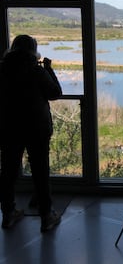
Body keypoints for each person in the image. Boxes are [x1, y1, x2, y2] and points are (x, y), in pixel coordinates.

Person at [0, 34, 63, 232]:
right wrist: (49, 69)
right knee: (41, 171)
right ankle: (46, 216)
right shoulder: (36, 71)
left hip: (8, 127)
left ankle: (8, 213)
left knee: (8, 172)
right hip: (37, 128)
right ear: (33, 51)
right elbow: (55, 93)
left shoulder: (2, 69)